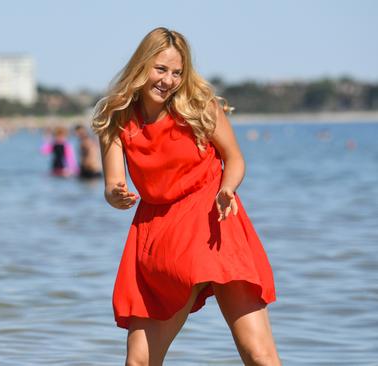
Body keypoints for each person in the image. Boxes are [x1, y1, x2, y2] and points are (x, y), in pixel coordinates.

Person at [91, 27, 280, 365]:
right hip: (158, 233)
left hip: (213, 219)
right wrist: (115, 195)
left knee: (258, 354)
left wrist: (227, 188)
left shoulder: (199, 106)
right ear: (141, 65)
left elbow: (234, 158)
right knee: (139, 361)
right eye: (160, 69)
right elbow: (113, 183)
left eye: (177, 72)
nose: (168, 79)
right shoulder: (117, 117)